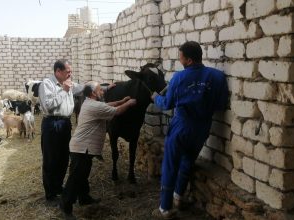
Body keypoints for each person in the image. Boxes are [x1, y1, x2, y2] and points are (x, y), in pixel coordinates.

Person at [151, 41, 229, 219]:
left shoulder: (179, 78)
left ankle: (165, 208)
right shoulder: (217, 76)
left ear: (190, 60)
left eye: (181, 57)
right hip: (202, 128)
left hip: (182, 126)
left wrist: (156, 98)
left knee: (171, 164)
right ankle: (179, 196)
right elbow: (221, 104)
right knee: (188, 161)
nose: (179, 60)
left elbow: (168, 104)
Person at [60, 81, 136, 219]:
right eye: (100, 90)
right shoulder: (94, 106)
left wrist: (121, 100)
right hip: (81, 148)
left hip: (83, 148)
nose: (103, 92)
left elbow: (107, 106)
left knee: (82, 175)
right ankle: (66, 206)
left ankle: (84, 198)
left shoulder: (90, 103)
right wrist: (129, 103)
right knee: (75, 178)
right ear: (93, 93)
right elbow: (116, 111)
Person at [38, 59, 84, 204]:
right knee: (51, 159)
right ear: (58, 71)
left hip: (65, 123)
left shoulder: (69, 83)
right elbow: (48, 106)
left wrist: (105, 87)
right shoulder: (47, 84)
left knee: (63, 158)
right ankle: (50, 195)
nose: (71, 73)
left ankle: (58, 187)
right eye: (68, 71)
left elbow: (83, 88)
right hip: (52, 123)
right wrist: (64, 90)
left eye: (71, 71)